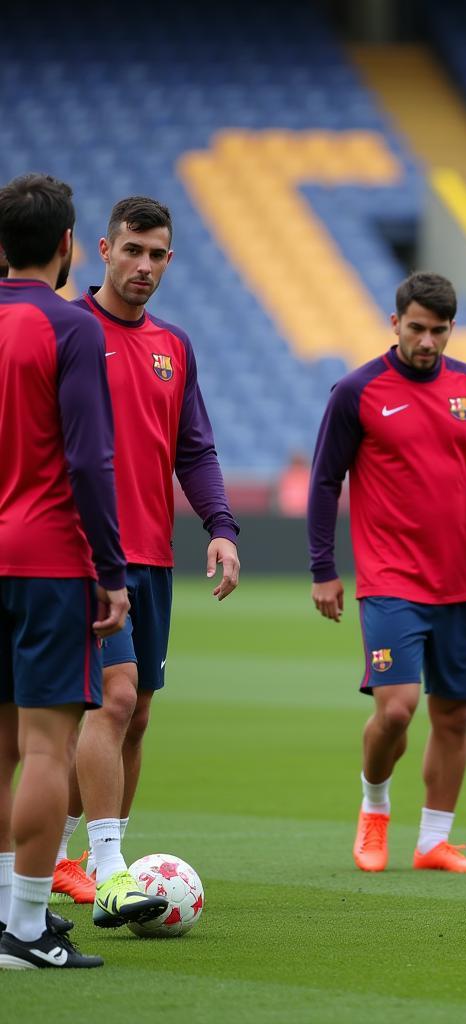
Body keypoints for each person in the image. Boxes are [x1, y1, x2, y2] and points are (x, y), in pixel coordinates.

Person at [52, 197, 240, 925]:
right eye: (133, 250)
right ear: (102, 249)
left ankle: (76, 857)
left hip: (154, 553)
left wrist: (220, 525)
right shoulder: (66, 329)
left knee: (138, 717)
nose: (144, 267)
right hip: (86, 554)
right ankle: (110, 872)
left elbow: (193, 446)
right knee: (114, 701)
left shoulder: (174, 345)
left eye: (158, 254)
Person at [308, 271, 466, 874]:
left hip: (461, 581)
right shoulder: (357, 389)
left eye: (440, 330)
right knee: (397, 708)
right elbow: (326, 481)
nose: (427, 341)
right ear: (395, 322)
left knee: (454, 715)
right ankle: (374, 809)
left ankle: (433, 841)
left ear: (453, 329)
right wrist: (324, 568)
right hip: (390, 578)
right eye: (417, 328)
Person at [0, 173, 130, 969]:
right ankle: (23, 928)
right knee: (46, 749)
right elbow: (87, 458)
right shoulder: (71, 329)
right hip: (47, 559)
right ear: (68, 246)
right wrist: (111, 571)